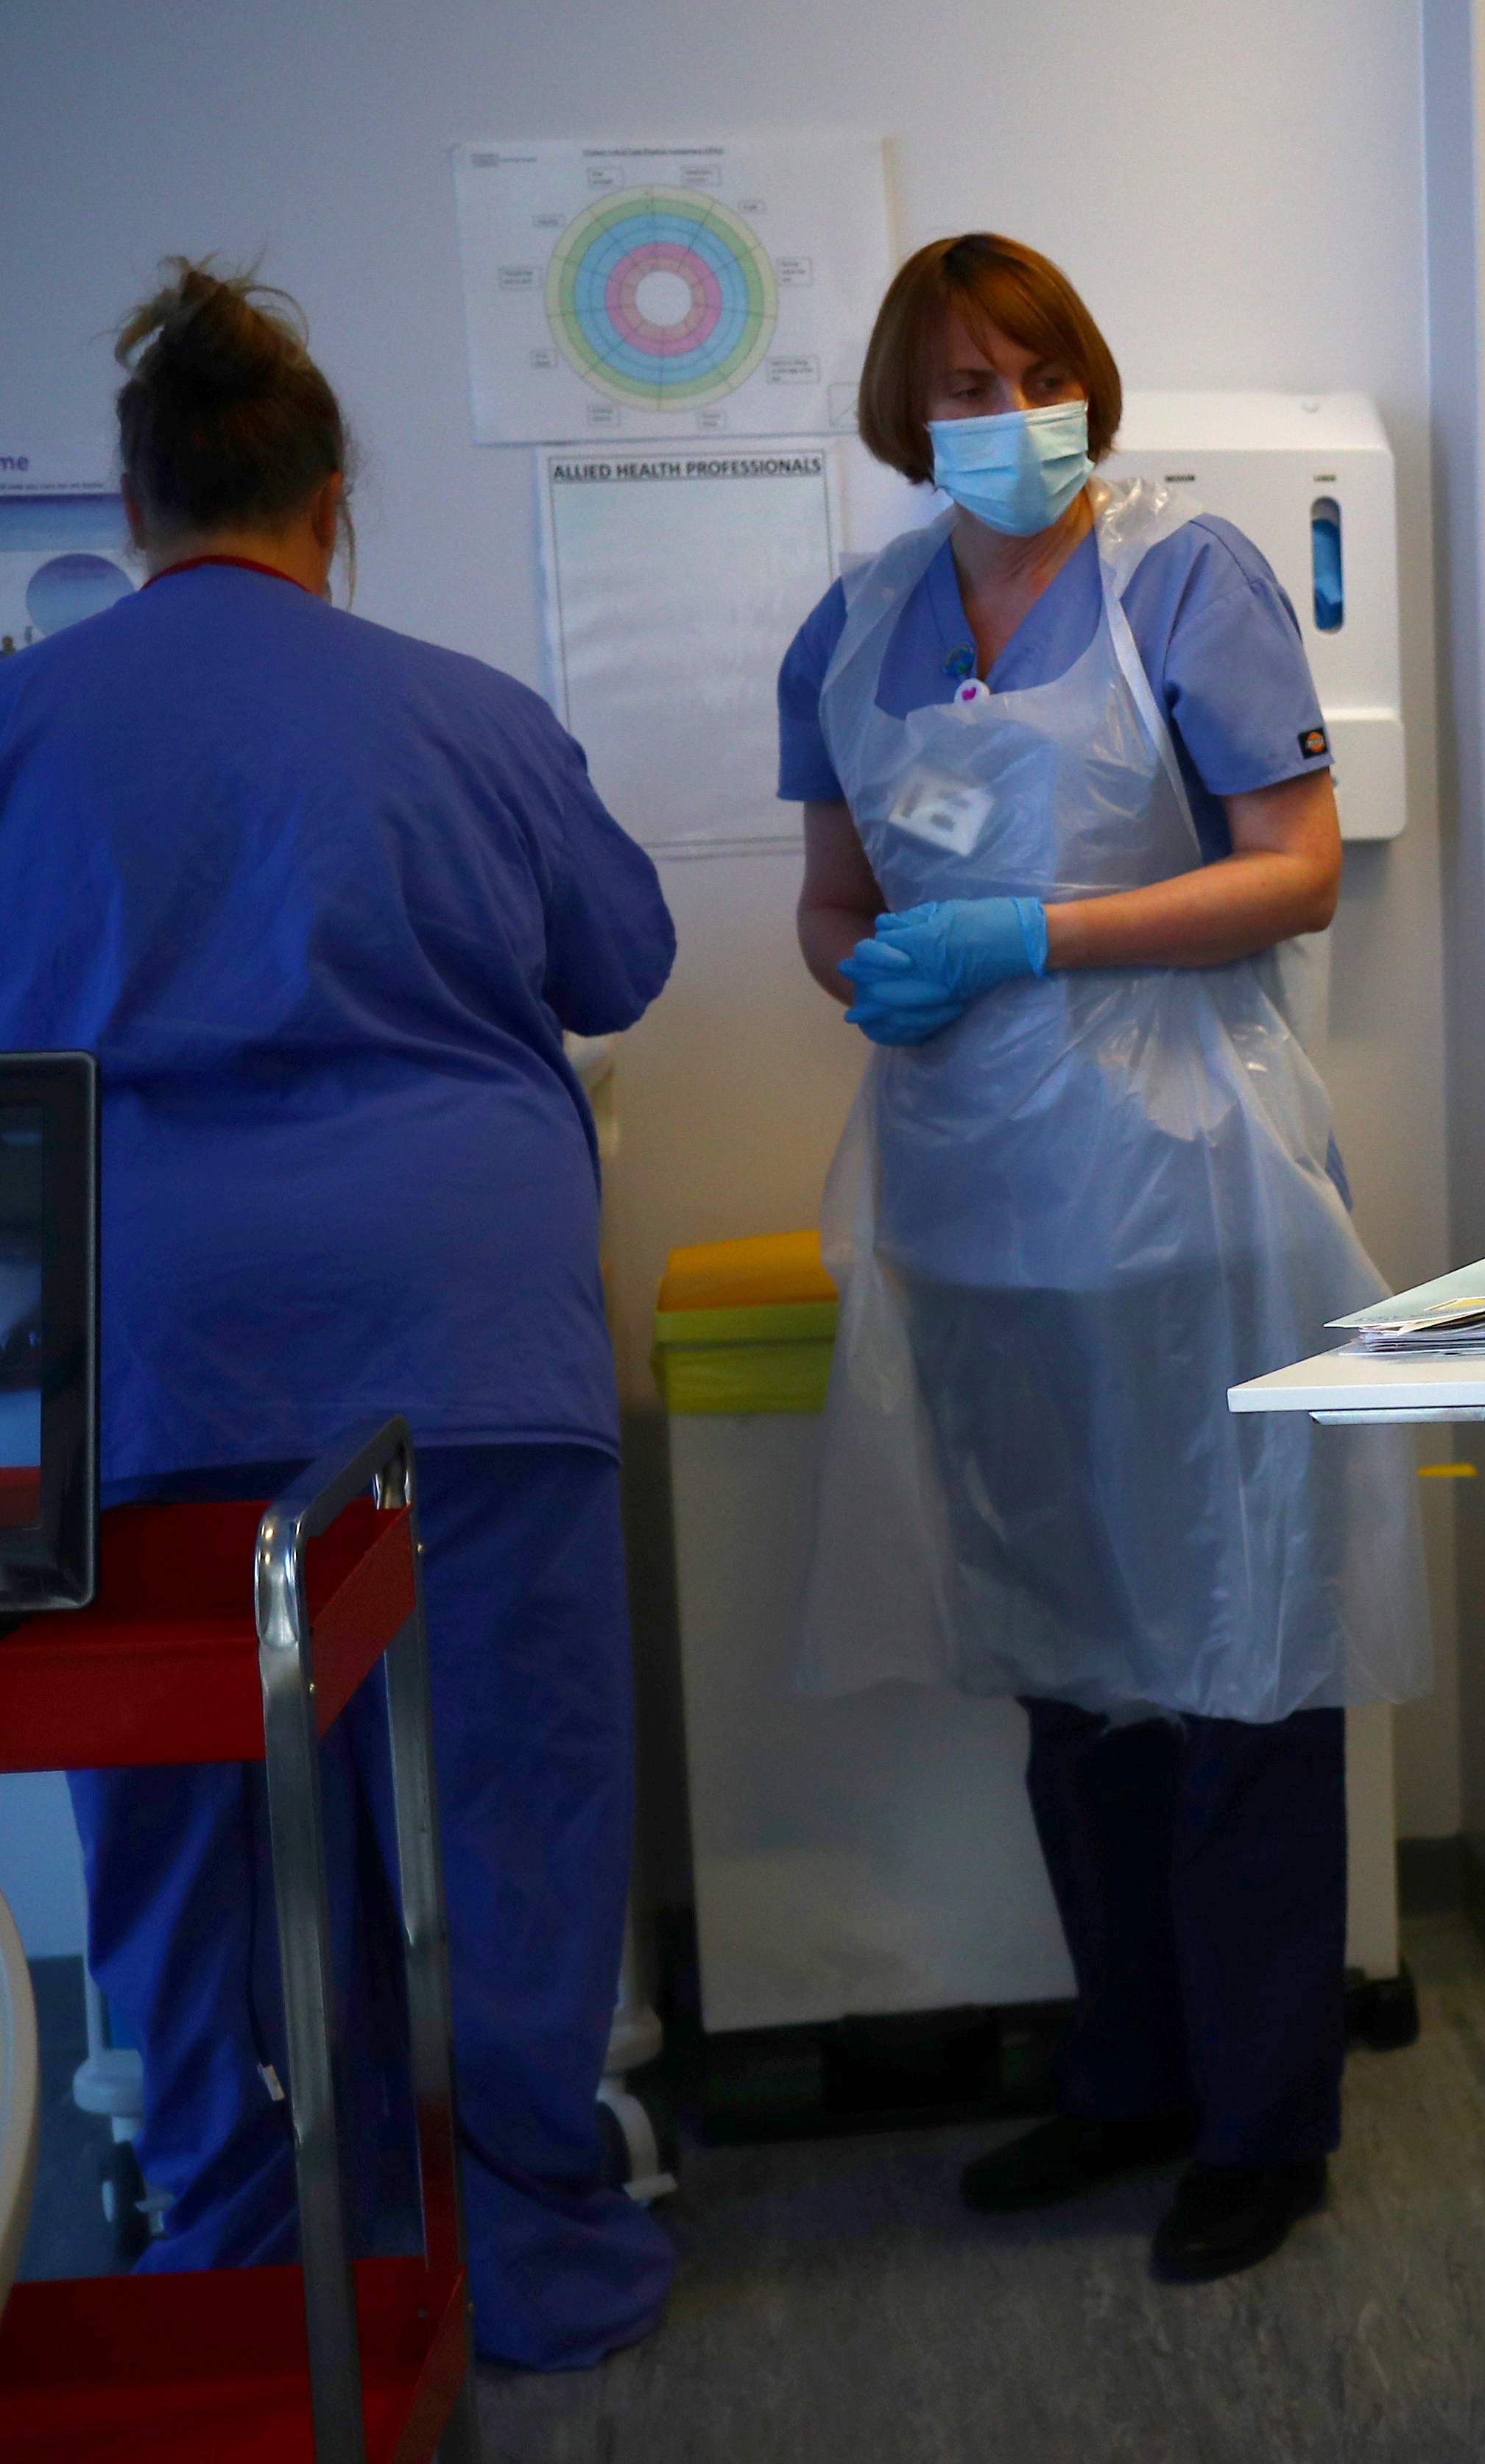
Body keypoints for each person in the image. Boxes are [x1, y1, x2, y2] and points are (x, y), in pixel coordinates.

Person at [0, 263, 677, 2368]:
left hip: (137, 1353)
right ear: (331, 503)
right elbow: (626, 959)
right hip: (461, 1332)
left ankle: (233, 2252)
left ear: (138, 500)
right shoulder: (468, 712)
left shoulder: (26, 720)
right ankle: (538, 2256)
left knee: (182, 1818)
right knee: (506, 1806)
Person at [776, 232, 1424, 2286]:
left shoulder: (1184, 578)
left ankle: (1262, 2113)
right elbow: (828, 891)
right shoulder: (857, 622)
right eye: (960, 381)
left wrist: (1033, 933)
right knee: (1068, 1652)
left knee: (1235, 1643)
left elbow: (1292, 869)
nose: (1002, 410)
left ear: (1090, 384)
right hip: (970, 1197)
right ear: (906, 411)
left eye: (1034, 367)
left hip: (1185, 1185)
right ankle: (1127, 2075)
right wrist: (864, 969)